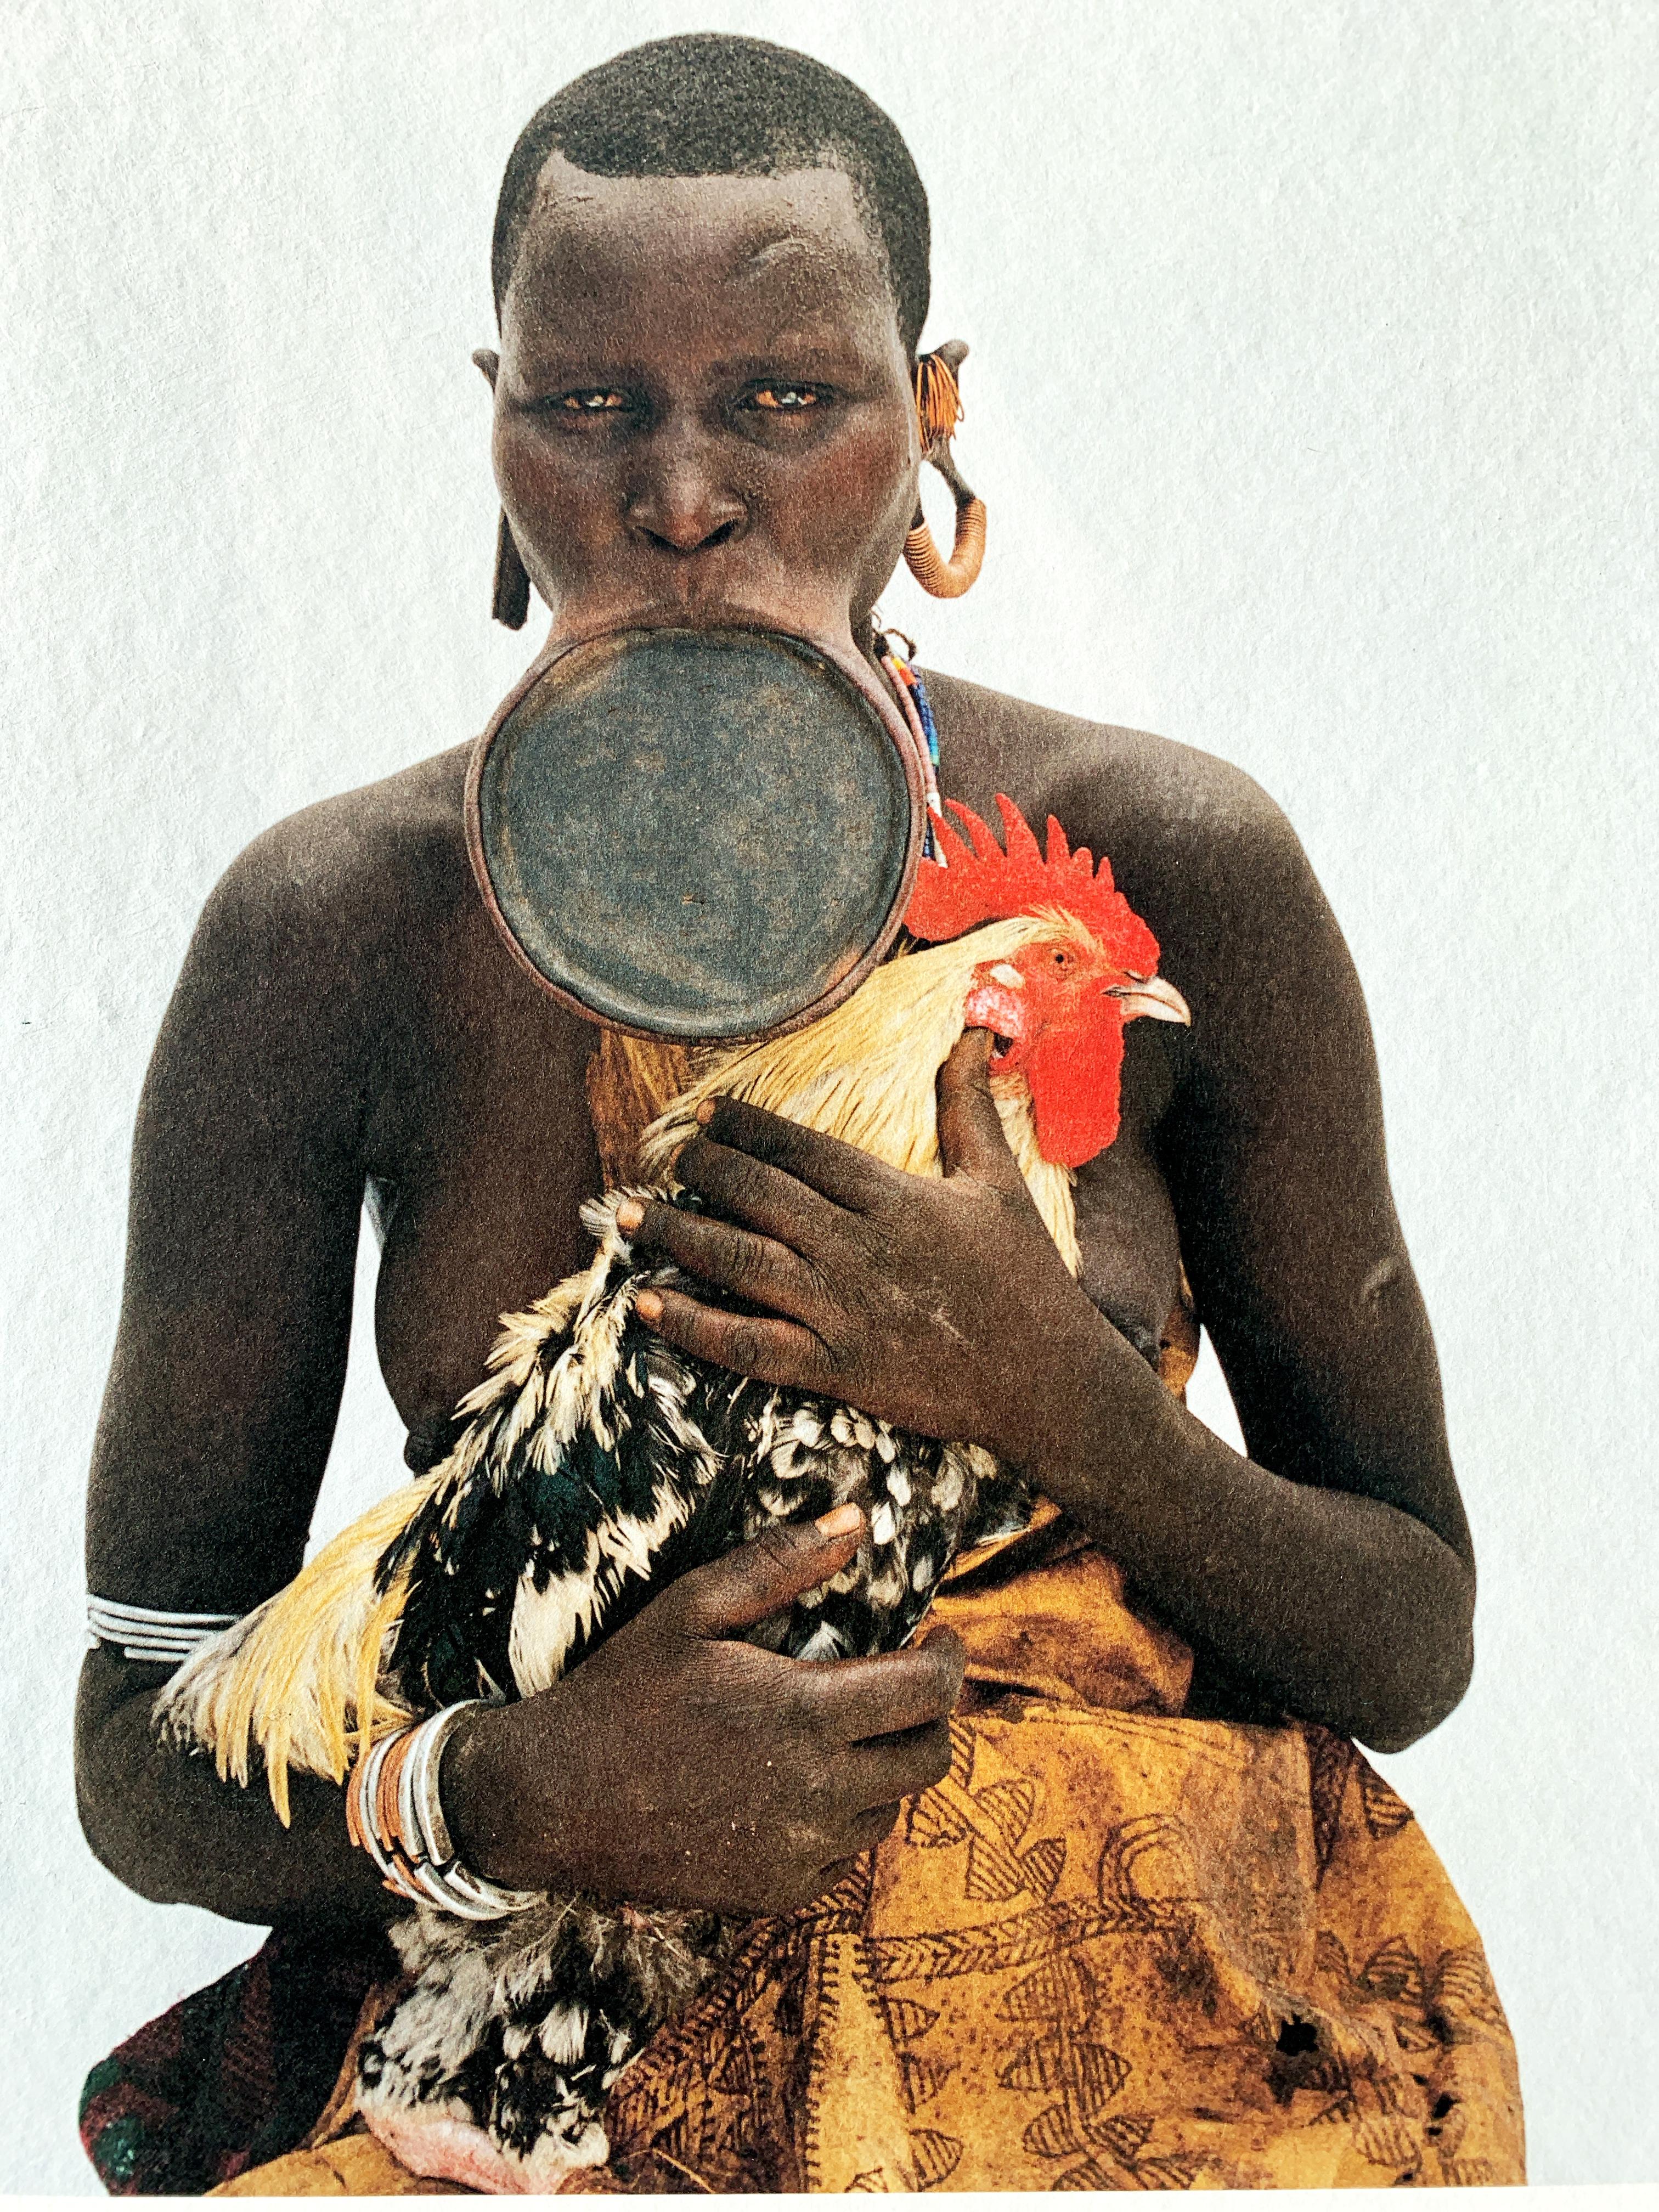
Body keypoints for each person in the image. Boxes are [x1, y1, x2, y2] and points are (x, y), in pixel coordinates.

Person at [76, 33, 1523, 2195]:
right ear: (494, 420)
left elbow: (1413, 1637)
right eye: (587, 407)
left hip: (1167, 2054)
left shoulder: (1168, 864)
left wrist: (1046, 1385)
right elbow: (139, 1748)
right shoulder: (330, 936)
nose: (675, 498)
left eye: (783, 397)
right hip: (547, 2049)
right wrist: (519, 1790)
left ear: (924, 417)